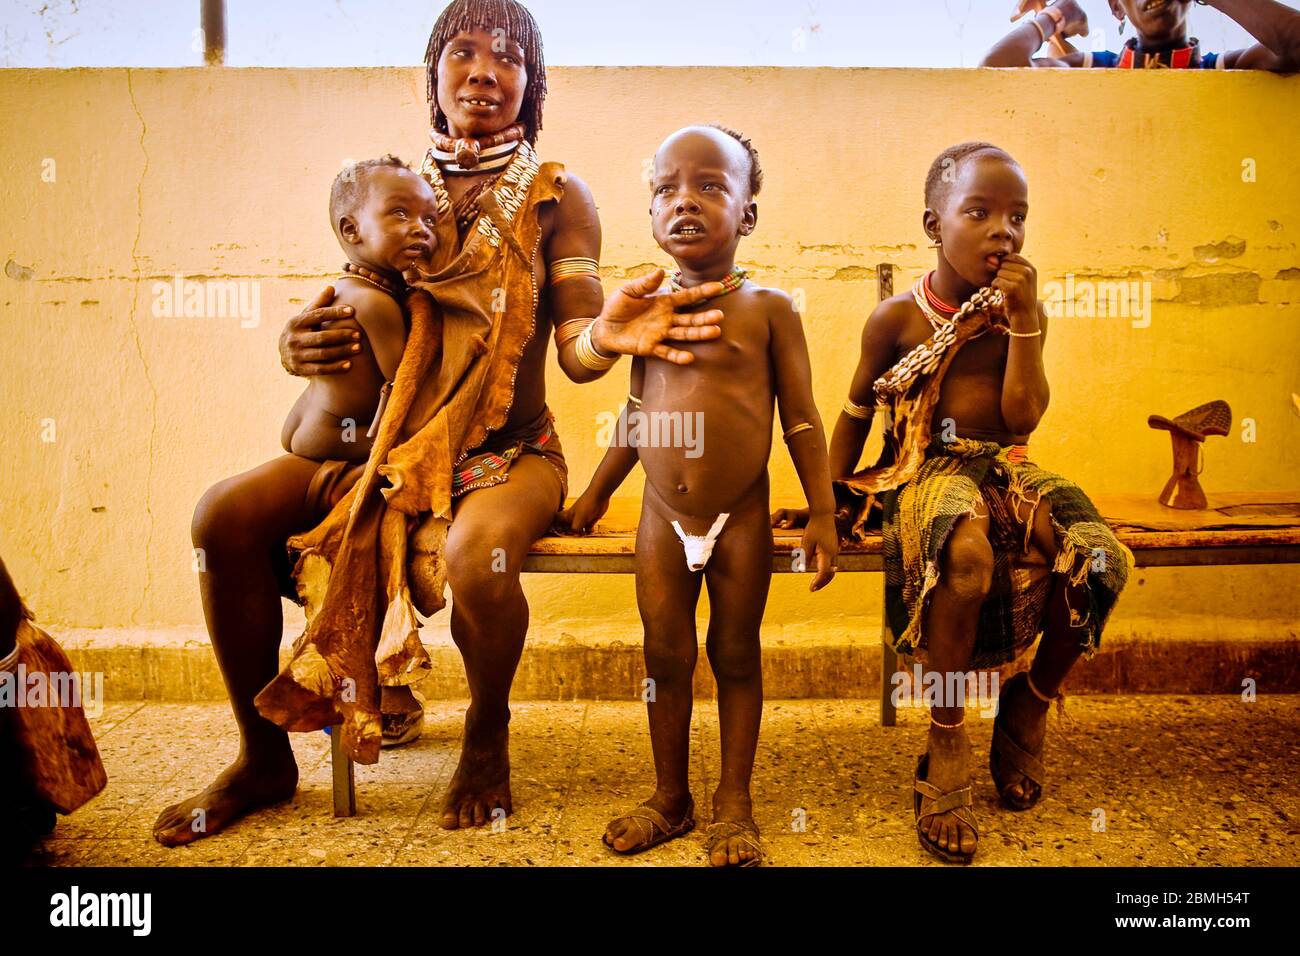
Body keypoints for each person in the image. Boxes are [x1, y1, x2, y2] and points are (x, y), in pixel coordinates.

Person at [154, 0, 728, 847]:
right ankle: (262, 756)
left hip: (506, 454)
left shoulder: (555, 200)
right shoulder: (396, 187)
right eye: (462, 52)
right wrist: (294, 344)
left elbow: (574, 344)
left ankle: (487, 734)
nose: (484, 71)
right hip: (382, 447)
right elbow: (353, 302)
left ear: (532, 88)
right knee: (223, 517)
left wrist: (605, 333)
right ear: (435, 76)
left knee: (475, 556)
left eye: (508, 59)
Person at [777, 142, 1130, 864]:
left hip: (1006, 464)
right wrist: (829, 503)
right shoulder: (896, 321)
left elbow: (1022, 419)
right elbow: (850, 414)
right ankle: (945, 736)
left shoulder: (1016, 314)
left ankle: (1027, 704)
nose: (1004, 231)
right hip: (924, 466)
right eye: (980, 212)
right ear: (934, 224)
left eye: (1017, 217)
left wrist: (1026, 322)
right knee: (962, 560)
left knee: (1099, 559)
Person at [557, 126, 838, 867]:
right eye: (666, 190)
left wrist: (824, 513)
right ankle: (670, 798)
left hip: (740, 514)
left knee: (735, 652)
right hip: (660, 515)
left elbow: (803, 417)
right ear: (650, 215)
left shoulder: (771, 309)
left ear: (747, 214)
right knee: (665, 656)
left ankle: (734, 803)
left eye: (710, 186)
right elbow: (637, 413)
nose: (685, 201)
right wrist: (592, 496)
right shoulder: (644, 309)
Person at [981, 0, 1300, 71]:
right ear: (1117, 8)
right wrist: (1057, 14)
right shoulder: (1091, 68)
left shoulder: (1230, 68)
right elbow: (998, 67)